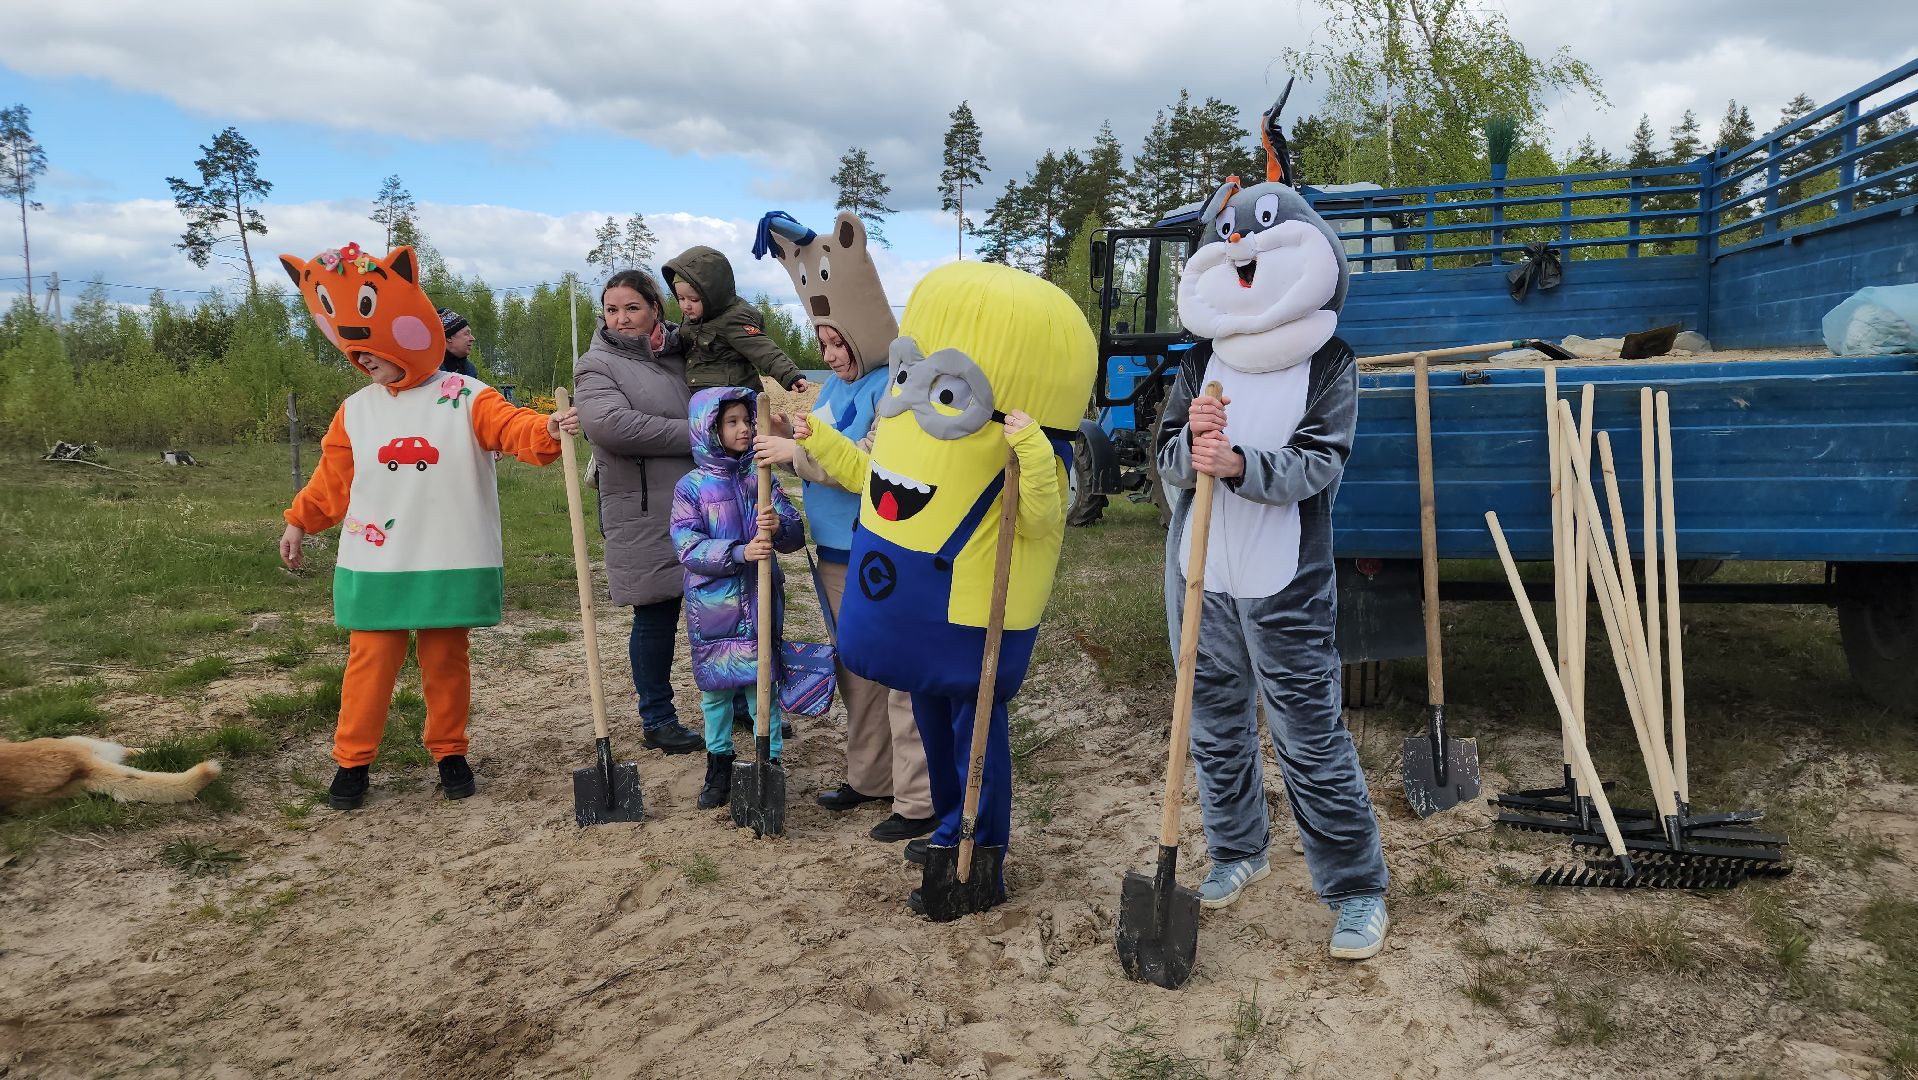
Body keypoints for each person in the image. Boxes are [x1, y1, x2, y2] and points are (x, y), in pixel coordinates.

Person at [792, 261, 1095, 918]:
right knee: (932, 724)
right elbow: (875, 479)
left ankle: (981, 848)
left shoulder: (1032, 448)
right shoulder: (906, 421)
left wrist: (1035, 449)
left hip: (973, 613)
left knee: (975, 728)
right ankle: (945, 821)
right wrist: (817, 435)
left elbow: (1043, 518)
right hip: (911, 608)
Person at [1156, 169, 1390, 960]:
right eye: (1229, 246)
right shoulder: (1202, 361)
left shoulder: (1330, 361)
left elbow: (1320, 462)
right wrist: (1192, 446)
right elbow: (1164, 457)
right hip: (1201, 573)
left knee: (1308, 733)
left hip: (1285, 578)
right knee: (1216, 727)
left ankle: (1356, 889)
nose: (1242, 253)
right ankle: (1238, 851)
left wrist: (1239, 463)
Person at [274, 242, 578, 810]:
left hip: (448, 552)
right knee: (370, 661)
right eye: (356, 354)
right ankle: (352, 763)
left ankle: (449, 753)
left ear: (401, 335)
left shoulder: (465, 396)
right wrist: (299, 522)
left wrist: (549, 430)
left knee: (445, 659)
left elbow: (512, 429)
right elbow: (331, 480)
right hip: (377, 560)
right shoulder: (356, 409)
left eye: (373, 351)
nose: (364, 362)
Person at [751, 208, 934, 847]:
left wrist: (796, 455)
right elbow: (819, 434)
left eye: (838, 344)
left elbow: (867, 465)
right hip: (834, 552)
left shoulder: (896, 388)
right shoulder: (832, 386)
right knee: (857, 666)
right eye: (824, 345)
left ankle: (918, 798)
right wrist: (781, 435)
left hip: (879, 547)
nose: (831, 355)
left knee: (898, 669)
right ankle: (871, 775)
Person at [571, 270, 705, 755]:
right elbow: (612, 427)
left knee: (723, 608)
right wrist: (699, 433)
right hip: (645, 509)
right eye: (611, 309)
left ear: (655, 308)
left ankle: (737, 703)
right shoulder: (595, 365)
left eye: (632, 307)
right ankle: (658, 716)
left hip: (706, 501)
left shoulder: (684, 355)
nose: (621, 318)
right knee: (656, 615)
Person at [671, 388, 805, 808]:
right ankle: (719, 763)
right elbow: (687, 545)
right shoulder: (691, 486)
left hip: (762, 598)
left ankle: (772, 759)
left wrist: (779, 524)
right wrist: (737, 552)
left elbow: (796, 535)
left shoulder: (760, 477)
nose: (744, 428)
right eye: (732, 422)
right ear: (709, 429)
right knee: (716, 692)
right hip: (715, 607)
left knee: (763, 683)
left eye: (747, 420)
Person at [662, 245, 811, 395]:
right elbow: (679, 341)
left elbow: (762, 349)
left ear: (712, 294)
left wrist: (790, 375)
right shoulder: (691, 321)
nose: (686, 305)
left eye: (693, 299)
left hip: (733, 396)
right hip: (702, 397)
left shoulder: (732, 319)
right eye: (681, 298)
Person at [438, 307, 479, 376]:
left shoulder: (471, 371)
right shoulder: (429, 371)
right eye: (466, 334)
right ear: (449, 338)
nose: (472, 338)